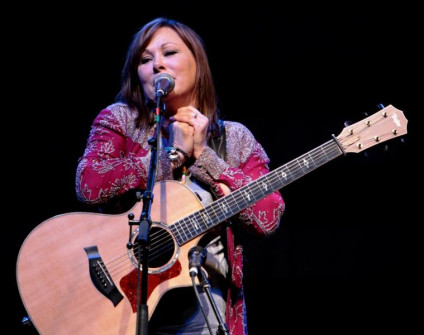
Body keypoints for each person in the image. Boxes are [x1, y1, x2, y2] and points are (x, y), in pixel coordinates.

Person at [75, 17, 285, 335]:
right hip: (122, 302)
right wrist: (170, 156)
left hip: (204, 312)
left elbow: (267, 217)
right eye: (145, 60)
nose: (157, 64)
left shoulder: (236, 138)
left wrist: (205, 156)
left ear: (197, 64)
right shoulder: (119, 119)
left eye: (168, 52)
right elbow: (89, 184)